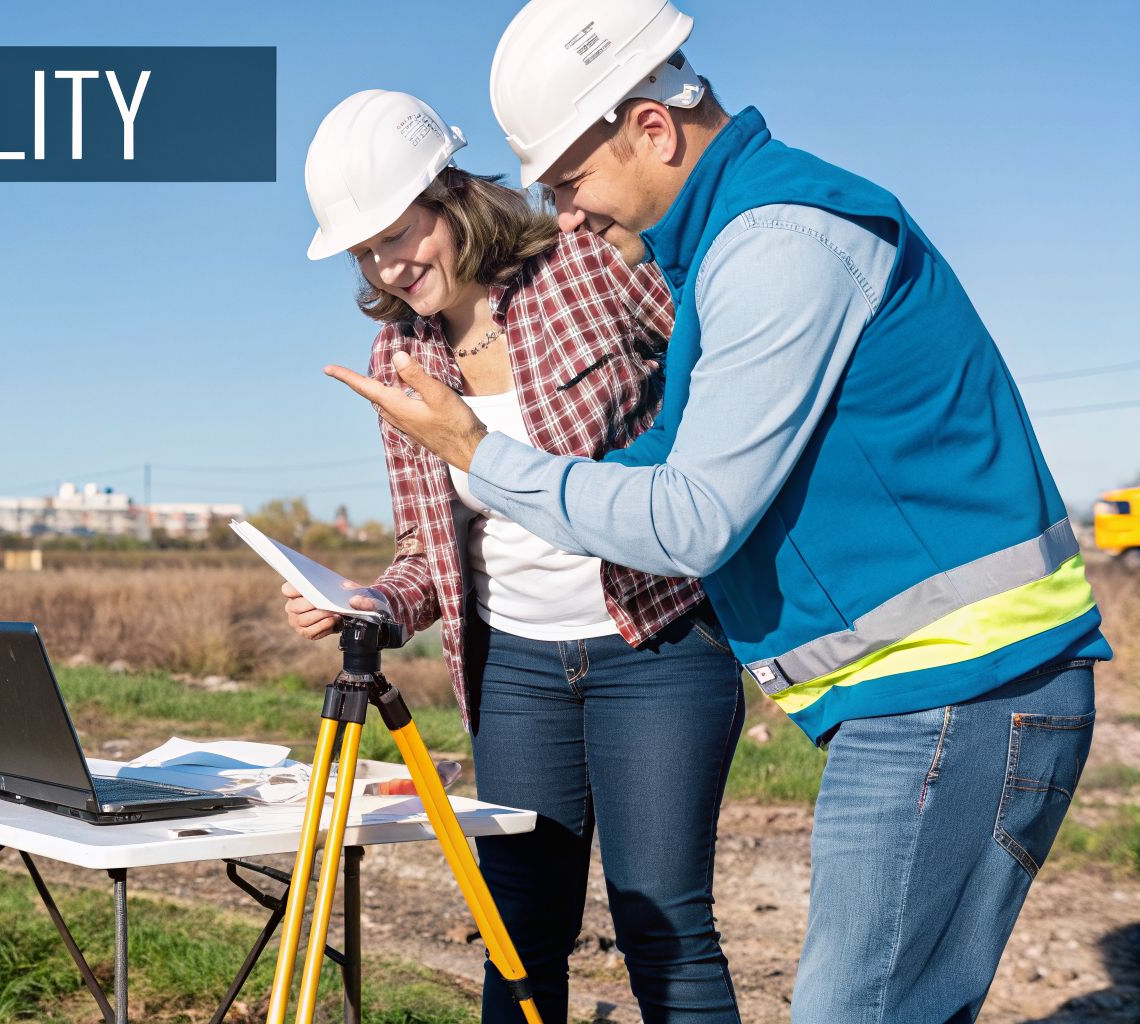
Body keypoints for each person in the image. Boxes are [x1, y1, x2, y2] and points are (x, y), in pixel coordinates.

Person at [328, 3, 1108, 1021]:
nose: (563, 214)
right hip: (920, 694)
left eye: (568, 182)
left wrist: (482, 454)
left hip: (957, 690)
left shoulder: (772, 245)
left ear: (651, 129)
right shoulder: (728, 247)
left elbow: (693, 513)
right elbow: (664, 454)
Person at [289, 88, 745, 1023]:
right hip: (516, 672)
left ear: (451, 196)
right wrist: (371, 601)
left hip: (654, 644)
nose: (388, 263)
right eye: (366, 251)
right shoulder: (396, 357)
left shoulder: (586, 265)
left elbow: (723, 363)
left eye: (399, 232)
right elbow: (429, 547)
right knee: (518, 932)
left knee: (663, 924)